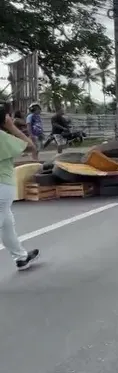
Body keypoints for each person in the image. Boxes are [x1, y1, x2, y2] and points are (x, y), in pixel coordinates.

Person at [0, 105, 41, 270]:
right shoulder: (2, 137)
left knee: (7, 223)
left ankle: (21, 257)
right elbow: (31, 146)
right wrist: (10, 126)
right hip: (2, 186)